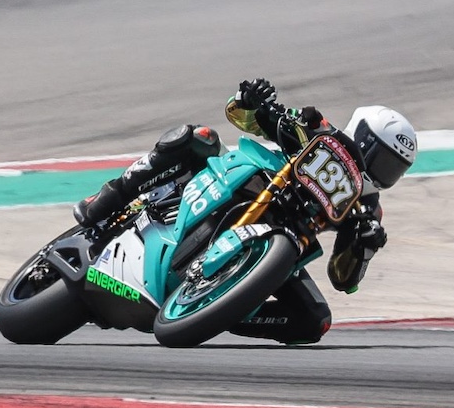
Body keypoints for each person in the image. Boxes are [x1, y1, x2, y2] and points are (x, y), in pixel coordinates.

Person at [71, 78, 415, 344]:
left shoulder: (369, 213)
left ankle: (221, 307)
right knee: (196, 136)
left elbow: (344, 281)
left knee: (314, 321)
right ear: (362, 136)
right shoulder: (318, 129)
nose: (383, 173)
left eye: (393, 168)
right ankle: (107, 199)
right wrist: (252, 99)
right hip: (248, 182)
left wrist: (363, 249)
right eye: (381, 158)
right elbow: (242, 117)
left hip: (283, 240)